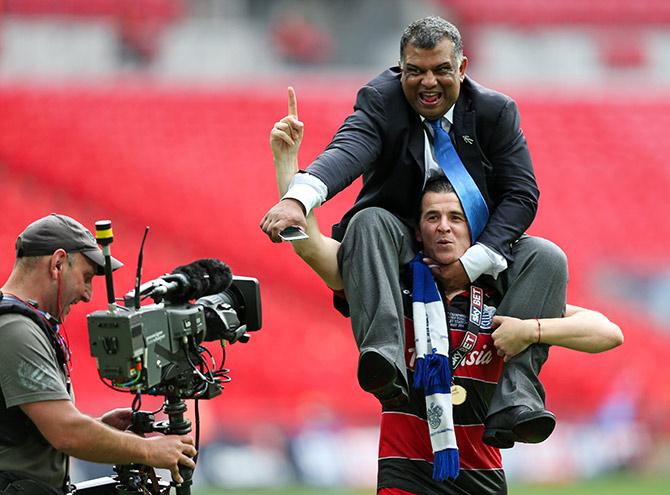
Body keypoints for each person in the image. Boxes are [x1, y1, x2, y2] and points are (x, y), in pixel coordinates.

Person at [269, 113, 623, 494]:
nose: (444, 226)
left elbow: (608, 333)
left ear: (475, 227)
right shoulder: (388, 286)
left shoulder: (501, 297)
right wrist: (286, 162)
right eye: (432, 217)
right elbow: (310, 247)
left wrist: (531, 330)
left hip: (483, 477)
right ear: (418, 231)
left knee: (549, 255)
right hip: (405, 477)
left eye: (456, 217)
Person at [261, 16, 567, 448]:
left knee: (548, 256)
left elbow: (522, 196)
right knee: (369, 220)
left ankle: (515, 397)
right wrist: (298, 198)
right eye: (414, 71)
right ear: (398, 69)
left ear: (462, 67)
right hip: (402, 253)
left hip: (479, 250)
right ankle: (384, 359)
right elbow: (349, 150)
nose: (428, 83)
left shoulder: (496, 112)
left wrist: (472, 262)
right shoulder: (381, 100)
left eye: (441, 70)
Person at [0, 214, 197, 494]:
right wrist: (149, 451)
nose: (88, 295)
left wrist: (98, 427)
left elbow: (31, 432)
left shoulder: (21, 323)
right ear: (57, 263)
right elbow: (65, 432)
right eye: (87, 277)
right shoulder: (15, 329)